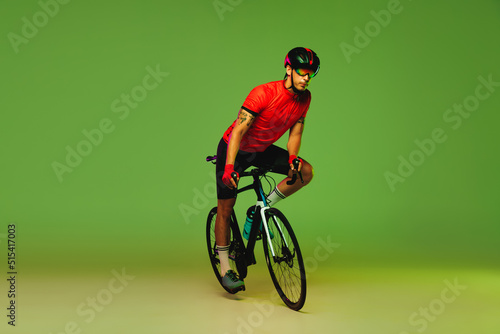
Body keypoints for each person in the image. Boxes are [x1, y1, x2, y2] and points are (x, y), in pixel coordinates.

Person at [214, 47, 320, 292]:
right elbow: (238, 132)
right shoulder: (263, 93)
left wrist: (293, 156)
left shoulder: (305, 98)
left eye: (311, 74)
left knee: (305, 172)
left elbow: (296, 132)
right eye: (302, 72)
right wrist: (230, 167)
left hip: (261, 150)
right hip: (234, 149)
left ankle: (260, 209)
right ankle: (225, 267)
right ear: (288, 69)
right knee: (225, 208)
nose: (306, 78)